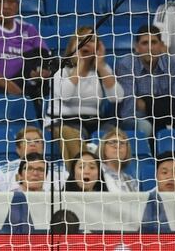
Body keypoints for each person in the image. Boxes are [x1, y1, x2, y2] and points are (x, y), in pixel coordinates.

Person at [47, 27, 124, 165]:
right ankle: (78, 177)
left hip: (94, 122)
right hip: (62, 122)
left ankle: (107, 178)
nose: (86, 43)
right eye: (82, 40)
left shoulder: (101, 71)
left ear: (98, 47)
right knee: (73, 134)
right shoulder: (61, 69)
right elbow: (65, 95)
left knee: (115, 136)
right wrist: (81, 65)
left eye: (92, 40)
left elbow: (117, 98)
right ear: (72, 46)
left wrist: (101, 66)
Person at [115, 24, 175, 135]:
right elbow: (129, 111)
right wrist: (167, 104)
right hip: (139, 120)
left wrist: (147, 104)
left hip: (171, 118)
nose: (150, 48)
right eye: (144, 43)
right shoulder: (126, 65)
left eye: (154, 42)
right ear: (136, 47)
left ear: (161, 45)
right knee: (145, 126)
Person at [97, 128, 139, 192]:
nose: (117, 146)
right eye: (113, 142)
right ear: (103, 147)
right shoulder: (95, 174)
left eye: (122, 143)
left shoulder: (130, 180)